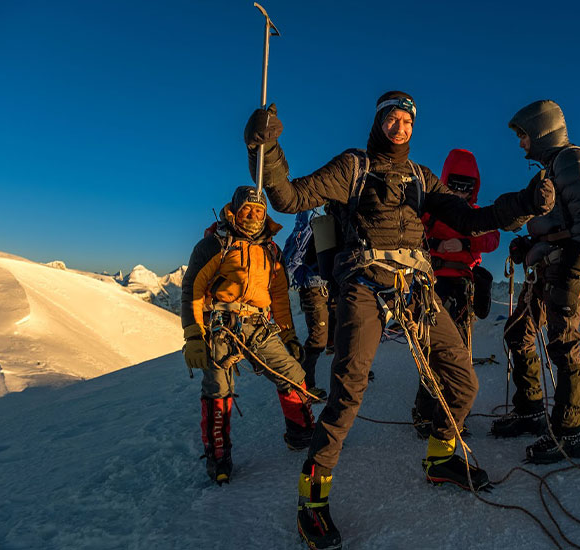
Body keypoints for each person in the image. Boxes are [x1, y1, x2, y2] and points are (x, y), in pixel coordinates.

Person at [244, 91, 554, 549]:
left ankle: (440, 458)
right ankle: (312, 502)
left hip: (415, 287)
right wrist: (266, 150)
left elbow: (471, 220)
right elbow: (289, 198)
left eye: (407, 120)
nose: (400, 126)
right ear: (378, 121)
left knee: (463, 381)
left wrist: (526, 202)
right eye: (392, 118)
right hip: (363, 282)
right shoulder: (353, 166)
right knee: (348, 391)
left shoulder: (421, 178)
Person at [490, 100, 580, 465]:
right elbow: (560, 220)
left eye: (524, 135)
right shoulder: (554, 167)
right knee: (517, 332)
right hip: (548, 267)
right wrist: (532, 243)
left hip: (564, 269)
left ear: (541, 131)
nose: (521, 144)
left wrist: (574, 270)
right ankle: (531, 411)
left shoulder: (572, 161)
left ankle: (571, 433)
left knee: (563, 344)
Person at [181, 186, 317, 485]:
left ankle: (302, 434)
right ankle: (219, 458)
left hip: (258, 325)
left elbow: (279, 295)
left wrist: (289, 336)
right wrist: (193, 336)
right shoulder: (214, 245)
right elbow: (192, 288)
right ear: (234, 209)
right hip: (219, 324)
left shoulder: (271, 250)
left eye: (259, 211)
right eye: (247, 209)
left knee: (292, 373)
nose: (253, 215)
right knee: (218, 387)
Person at [411, 149, 499, 439]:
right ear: (446, 181)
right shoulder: (432, 209)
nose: (461, 192)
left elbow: (492, 238)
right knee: (432, 348)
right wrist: (440, 242)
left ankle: (451, 412)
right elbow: (413, 230)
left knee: (458, 351)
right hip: (432, 286)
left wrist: (462, 245)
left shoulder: (473, 214)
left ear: (474, 188)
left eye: (466, 186)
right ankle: (427, 412)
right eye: (456, 185)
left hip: (461, 289)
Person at [282, 209, 335, 400]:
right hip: (314, 288)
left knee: (339, 330)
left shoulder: (320, 227)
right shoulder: (313, 229)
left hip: (326, 286)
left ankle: (347, 377)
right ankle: (305, 386)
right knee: (318, 337)